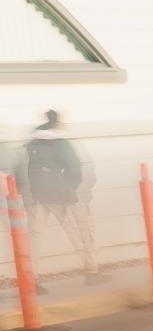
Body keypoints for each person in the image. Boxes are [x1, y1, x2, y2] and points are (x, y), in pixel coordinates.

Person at [22, 109, 103, 282]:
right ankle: (92, 272)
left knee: (34, 237)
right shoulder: (61, 143)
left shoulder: (32, 144)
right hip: (62, 197)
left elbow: (25, 169)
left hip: (39, 196)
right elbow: (75, 168)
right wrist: (70, 188)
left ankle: (31, 279)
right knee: (78, 233)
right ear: (57, 123)